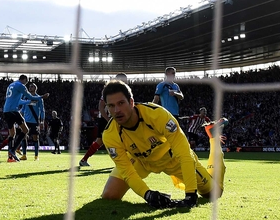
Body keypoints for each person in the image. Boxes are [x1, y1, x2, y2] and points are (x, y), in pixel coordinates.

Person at [99, 80, 226, 208]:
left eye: (121, 103)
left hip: (172, 159)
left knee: (214, 193)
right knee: (110, 195)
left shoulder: (157, 115)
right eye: (111, 106)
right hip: (141, 161)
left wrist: (190, 195)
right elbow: (127, 172)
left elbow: (184, 154)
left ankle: (213, 138)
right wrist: (147, 195)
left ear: (131, 102)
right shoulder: (110, 135)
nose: (117, 110)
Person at [79, 73, 128, 167]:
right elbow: (101, 107)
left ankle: (124, 161)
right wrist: (108, 119)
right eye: (123, 80)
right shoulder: (108, 91)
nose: (125, 82)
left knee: (124, 138)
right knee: (100, 141)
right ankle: (84, 160)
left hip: (119, 118)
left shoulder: (124, 91)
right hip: (107, 119)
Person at [0, 75, 48, 162]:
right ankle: (13, 150)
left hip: (6, 111)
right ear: (24, 80)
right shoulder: (21, 86)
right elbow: (31, 97)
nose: (26, 85)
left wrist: (29, 102)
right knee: (25, 130)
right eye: (26, 83)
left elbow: (19, 101)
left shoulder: (11, 85)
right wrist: (41, 97)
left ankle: (10, 157)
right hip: (13, 111)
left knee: (12, 134)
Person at [19, 82, 45, 160]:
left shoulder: (39, 98)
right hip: (26, 120)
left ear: (35, 88)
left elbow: (42, 110)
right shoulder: (25, 97)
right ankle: (24, 155)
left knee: (35, 138)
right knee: (23, 137)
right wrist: (20, 117)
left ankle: (36, 156)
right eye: (29, 86)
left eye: (32, 86)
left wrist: (42, 121)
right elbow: (23, 108)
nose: (30, 87)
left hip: (35, 121)